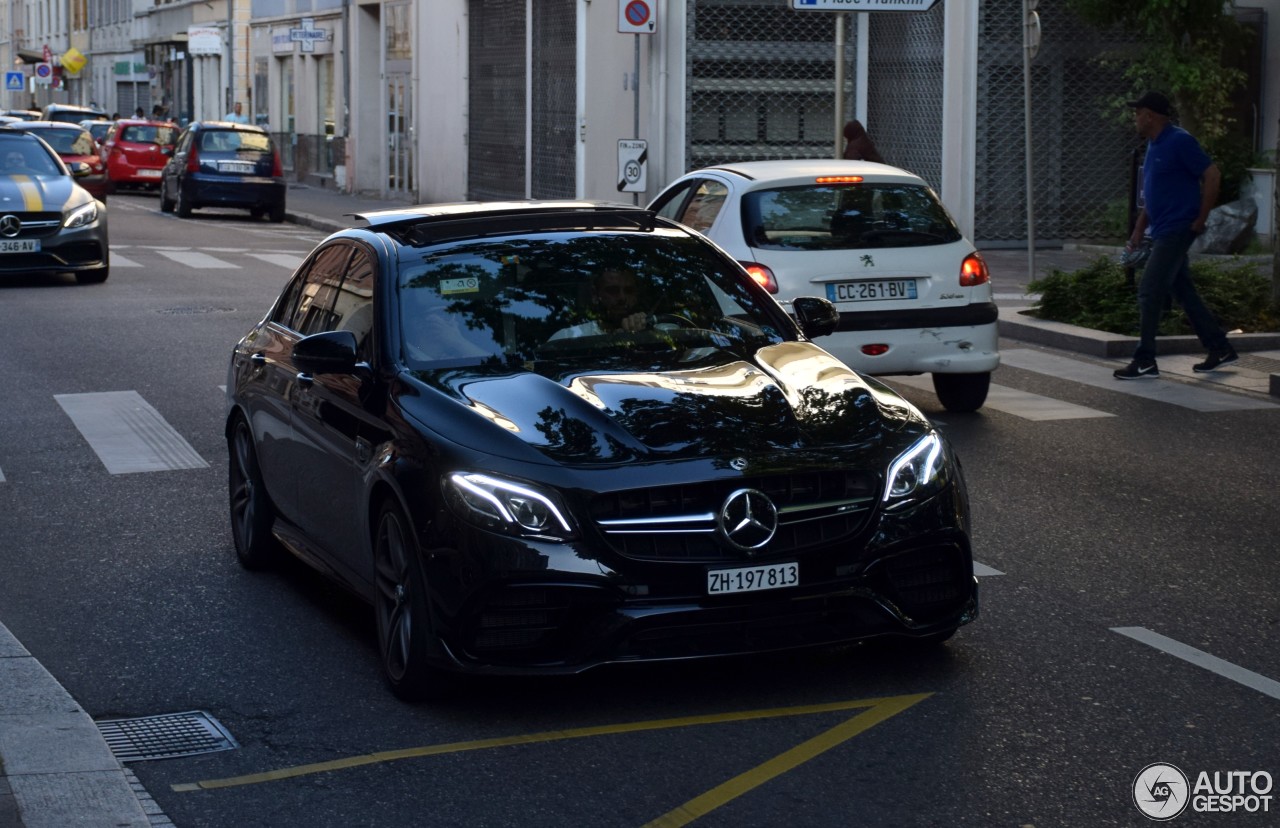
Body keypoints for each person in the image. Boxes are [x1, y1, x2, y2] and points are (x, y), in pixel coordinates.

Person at [1113, 91, 1236, 380]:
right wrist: (1139, 230)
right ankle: (1220, 348)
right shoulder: (1154, 145)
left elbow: (1213, 174)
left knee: (1149, 290)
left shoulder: (1179, 140)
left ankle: (1145, 360)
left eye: (1137, 113)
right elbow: (1154, 197)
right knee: (1182, 290)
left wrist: (1201, 218)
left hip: (1178, 228)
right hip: (1163, 228)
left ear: (1149, 116)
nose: (1134, 119)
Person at [549, 268, 650, 340]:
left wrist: (646, 332)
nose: (622, 298)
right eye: (612, 290)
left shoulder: (657, 332)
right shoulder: (567, 338)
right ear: (595, 295)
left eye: (629, 291)